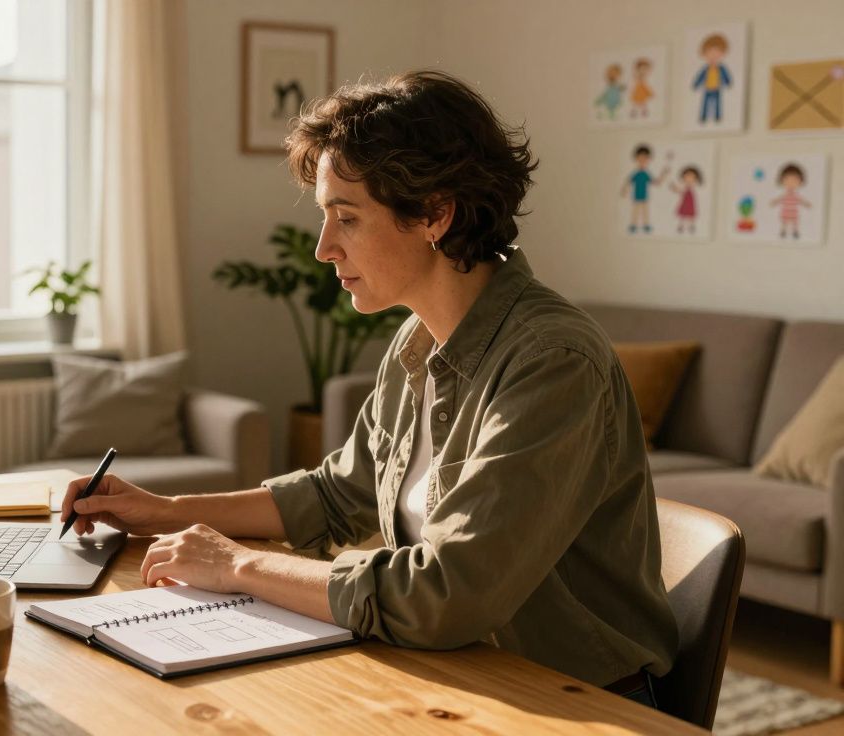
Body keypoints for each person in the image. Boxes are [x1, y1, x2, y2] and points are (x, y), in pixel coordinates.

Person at [62, 71, 677, 707]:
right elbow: (335, 496)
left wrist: (235, 565)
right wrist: (161, 510)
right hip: (462, 679)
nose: (325, 248)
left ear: (436, 213)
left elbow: (447, 594)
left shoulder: (553, 363)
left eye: (346, 218)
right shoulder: (417, 340)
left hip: (579, 704)